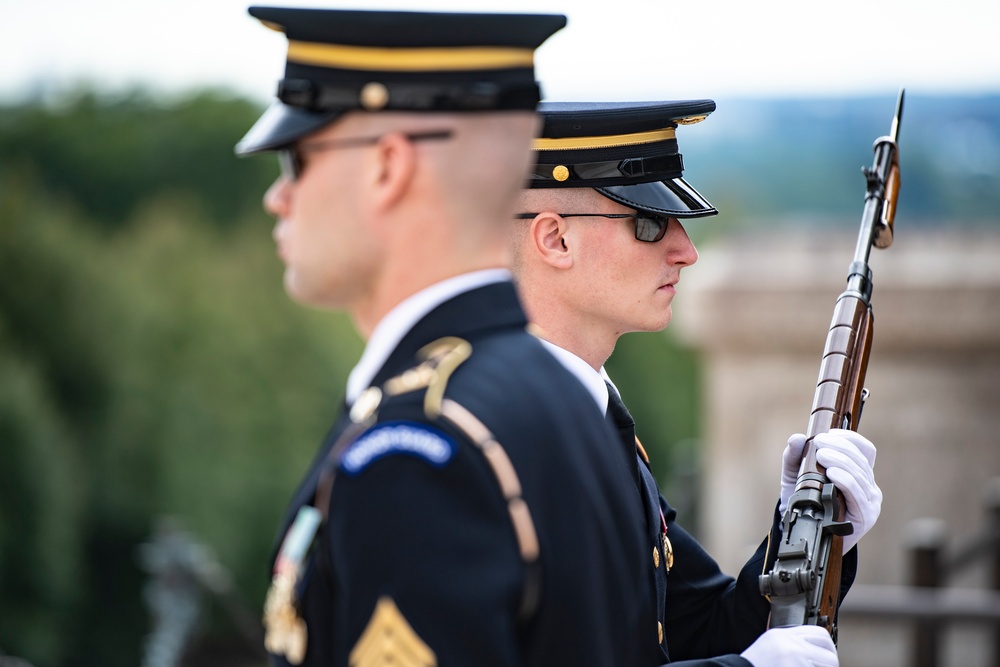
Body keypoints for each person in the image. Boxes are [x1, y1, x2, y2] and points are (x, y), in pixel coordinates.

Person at [235, 8, 662, 667]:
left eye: (298, 160)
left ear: (387, 166)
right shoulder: (566, 397)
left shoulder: (415, 450)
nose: (279, 198)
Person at [509, 100, 883, 666]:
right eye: (650, 223)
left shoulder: (593, 414)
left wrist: (806, 531)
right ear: (556, 239)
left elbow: (699, 627)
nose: (686, 252)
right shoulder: (503, 432)